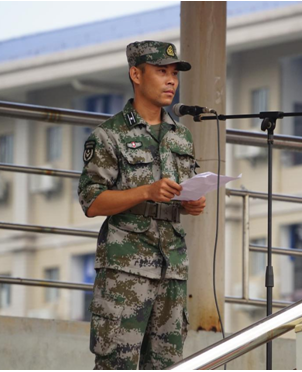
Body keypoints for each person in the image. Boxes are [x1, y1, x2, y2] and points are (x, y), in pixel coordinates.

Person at [78, 40, 206, 370]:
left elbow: (178, 189)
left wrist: (189, 202)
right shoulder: (109, 136)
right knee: (115, 364)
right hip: (125, 271)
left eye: (174, 73)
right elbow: (92, 202)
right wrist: (146, 191)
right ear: (136, 74)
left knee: (168, 365)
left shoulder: (182, 136)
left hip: (172, 266)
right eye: (161, 72)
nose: (171, 81)